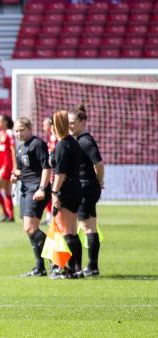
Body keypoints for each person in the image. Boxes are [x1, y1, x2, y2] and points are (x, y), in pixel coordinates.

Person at [10, 117, 52, 277]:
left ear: (30, 129)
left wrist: (42, 188)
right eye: (16, 130)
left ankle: (55, 253)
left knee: (30, 228)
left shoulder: (38, 144)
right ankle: (40, 267)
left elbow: (46, 167)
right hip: (26, 189)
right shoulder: (21, 148)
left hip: (35, 189)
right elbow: (25, 170)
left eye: (22, 129)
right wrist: (16, 176)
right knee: (28, 230)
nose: (18, 133)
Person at [69, 104, 105, 277]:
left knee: (86, 227)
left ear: (83, 122)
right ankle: (92, 266)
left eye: (73, 122)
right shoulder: (80, 140)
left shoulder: (86, 141)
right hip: (86, 187)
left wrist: (99, 182)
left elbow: (98, 164)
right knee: (90, 225)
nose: (70, 126)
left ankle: (91, 266)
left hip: (85, 187)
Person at [49, 109, 85, 279]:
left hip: (66, 189)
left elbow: (60, 173)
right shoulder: (73, 142)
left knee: (64, 230)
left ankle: (68, 270)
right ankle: (77, 268)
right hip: (76, 188)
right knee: (71, 230)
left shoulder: (62, 145)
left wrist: (54, 192)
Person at [41, 117, 57, 227]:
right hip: (50, 169)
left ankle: (53, 217)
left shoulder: (56, 137)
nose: (43, 127)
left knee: (52, 193)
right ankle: (49, 217)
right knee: (48, 193)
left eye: (44, 125)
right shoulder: (51, 137)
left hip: (56, 171)